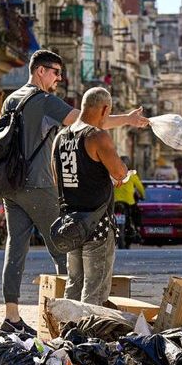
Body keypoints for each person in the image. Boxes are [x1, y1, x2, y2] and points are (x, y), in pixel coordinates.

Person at [0, 50, 148, 336]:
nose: (58, 78)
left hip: (11, 185)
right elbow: (89, 121)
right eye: (55, 71)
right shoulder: (43, 100)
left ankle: (12, 316)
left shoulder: (11, 99)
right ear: (39, 71)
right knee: (66, 244)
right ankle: (70, 325)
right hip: (38, 183)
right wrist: (127, 119)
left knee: (15, 248)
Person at [53, 87, 128, 305]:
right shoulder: (96, 136)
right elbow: (119, 172)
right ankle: (87, 334)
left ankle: (70, 331)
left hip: (70, 223)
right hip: (97, 224)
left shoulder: (60, 137)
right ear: (105, 109)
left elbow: (56, 178)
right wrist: (118, 173)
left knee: (74, 284)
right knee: (94, 288)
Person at [114, 155, 145, 245]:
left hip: (115, 202)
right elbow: (140, 188)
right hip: (129, 202)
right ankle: (137, 230)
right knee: (137, 214)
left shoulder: (113, 173)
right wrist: (143, 196)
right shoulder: (132, 176)